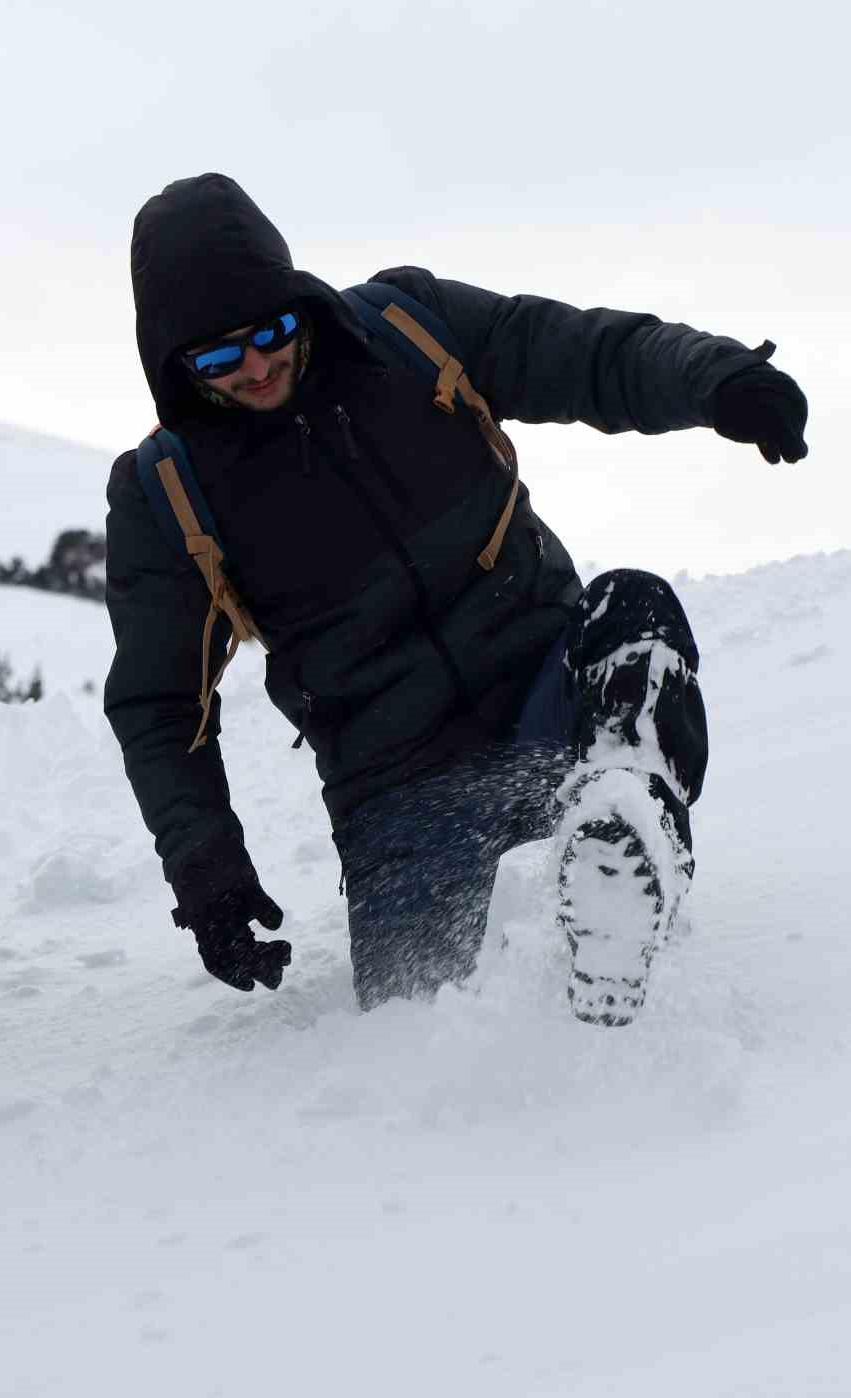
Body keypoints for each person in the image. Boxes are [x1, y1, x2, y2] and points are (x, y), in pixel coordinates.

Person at [104, 173, 808, 1025]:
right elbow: (159, 705)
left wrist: (718, 378)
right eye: (218, 358)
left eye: (270, 332)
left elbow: (581, 352)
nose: (256, 366)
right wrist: (208, 874)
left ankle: (622, 837)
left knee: (634, 614)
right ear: (174, 364)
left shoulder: (408, 330)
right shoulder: (165, 490)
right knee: (421, 1021)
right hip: (402, 796)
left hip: (549, 702)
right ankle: (556, 938)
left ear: (298, 300)